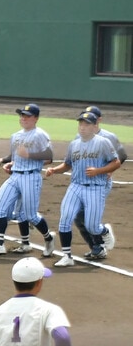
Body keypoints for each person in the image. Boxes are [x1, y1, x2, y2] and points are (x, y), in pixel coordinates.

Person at [46, 111, 121, 264]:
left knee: (92, 226)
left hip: (95, 188)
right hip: (75, 186)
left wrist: (98, 171)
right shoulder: (74, 144)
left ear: (94, 127)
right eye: (80, 124)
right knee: (65, 219)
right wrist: (55, 170)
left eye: (87, 124)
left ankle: (104, 231)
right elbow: (67, 165)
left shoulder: (103, 142)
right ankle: (67, 256)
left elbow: (116, 162)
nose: (82, 127)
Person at [0, 104, 56, 256]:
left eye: (27, 116)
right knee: (0, 207)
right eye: (22, 115)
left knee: (30, 216)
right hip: (15, 176)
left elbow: (49, 156)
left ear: (36, 118)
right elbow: (15, 156)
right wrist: (5, 161)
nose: (23, 118)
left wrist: (29, 155)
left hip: (31, 177)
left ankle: (48, 238)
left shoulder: (39, 135)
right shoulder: (15, 136)